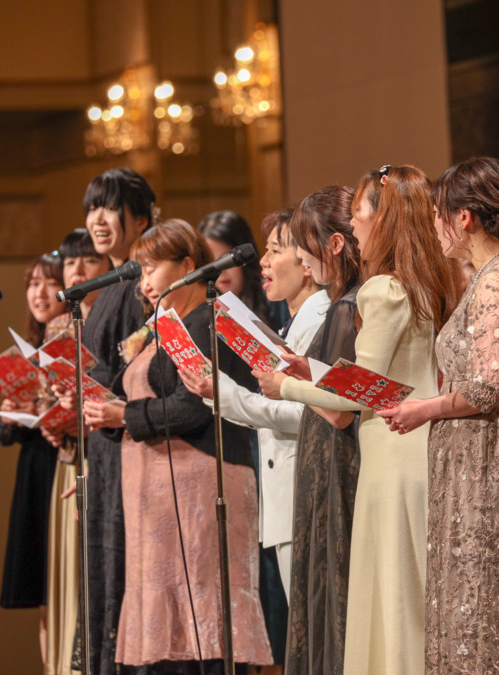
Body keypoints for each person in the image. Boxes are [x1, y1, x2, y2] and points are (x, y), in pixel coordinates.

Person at [262, 165, 461, 674]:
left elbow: (363, 392)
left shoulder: (382, 291)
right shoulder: (429, 284)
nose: (353, 227)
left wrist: (287, 385)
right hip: (419, 452)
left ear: (386, 219)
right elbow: (385, 377)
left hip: (391, 459)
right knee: (411, 597)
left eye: (359, 215)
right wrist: (319, 369)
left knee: (394, 600)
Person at [82, 219, 273, 673]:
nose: (145, 282)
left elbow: (197, 406)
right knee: (173, 639)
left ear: (188, 265)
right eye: (140, 270)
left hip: (200, 486)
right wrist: (106, 410)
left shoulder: (207, 319)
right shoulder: (164, 327)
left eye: (152, 268)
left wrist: (123, 415)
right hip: (158, 494)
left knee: (203, 622)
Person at [377, 156, 499, 672]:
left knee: (481, 606)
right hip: (469, 459)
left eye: (440, 213)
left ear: (464, 218)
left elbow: (488, 386)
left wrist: (424, 408)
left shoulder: (497, 281)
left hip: (487, 463)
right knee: (464, 603)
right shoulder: (492, 277)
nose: (435, 226)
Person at [182, 208, 330, 667]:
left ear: (308, 261)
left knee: (316, 640)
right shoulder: (297, 320)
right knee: (303, 638)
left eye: (275, 251)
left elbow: (306, 414)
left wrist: (222, 393)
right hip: (286, 495)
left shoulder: (320, 318)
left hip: (305, 495)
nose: (262, 263)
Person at [257, 185, 362, 675]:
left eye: (299, 244)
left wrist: (286, 385)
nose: (298, 254)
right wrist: (303, 374)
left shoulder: (343, 306)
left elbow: (343, 408)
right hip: (323, 473)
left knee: (334, 612)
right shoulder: (342, 303)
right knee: (322, 610)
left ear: (334, 244)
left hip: (339, 472)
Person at [74, 168, 156, 675]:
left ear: (142, 217)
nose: (98, 219)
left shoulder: (138, 287)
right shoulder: (108, 286)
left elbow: (140, 374)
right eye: (92, 208)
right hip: (104, 451)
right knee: (103, 572)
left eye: (110, 208)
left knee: (124, 571)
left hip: (130, 445)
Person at [42, 229, 111, 675]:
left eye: (87, 261)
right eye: (69, 264)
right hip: (69, 462)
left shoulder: (116, 317)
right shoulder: (57, 326)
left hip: (104, 453)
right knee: (67, 571)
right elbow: (50, 396)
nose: (78, 271)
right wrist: (48, 418)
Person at [0, 253, 67, 661]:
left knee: (67, 584)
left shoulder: (70, 343)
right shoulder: (27, 350)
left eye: (48, 282)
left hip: (65, 462)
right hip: (35, 470)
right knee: (42, 596)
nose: (38, 292)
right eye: (31, 283)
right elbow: (2, 434)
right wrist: (12, 412)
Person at [198, 210, 273, 325]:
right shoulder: (204, 306)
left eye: (226, 259)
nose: (219, 270)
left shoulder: (272, 297)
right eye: (211, 261)